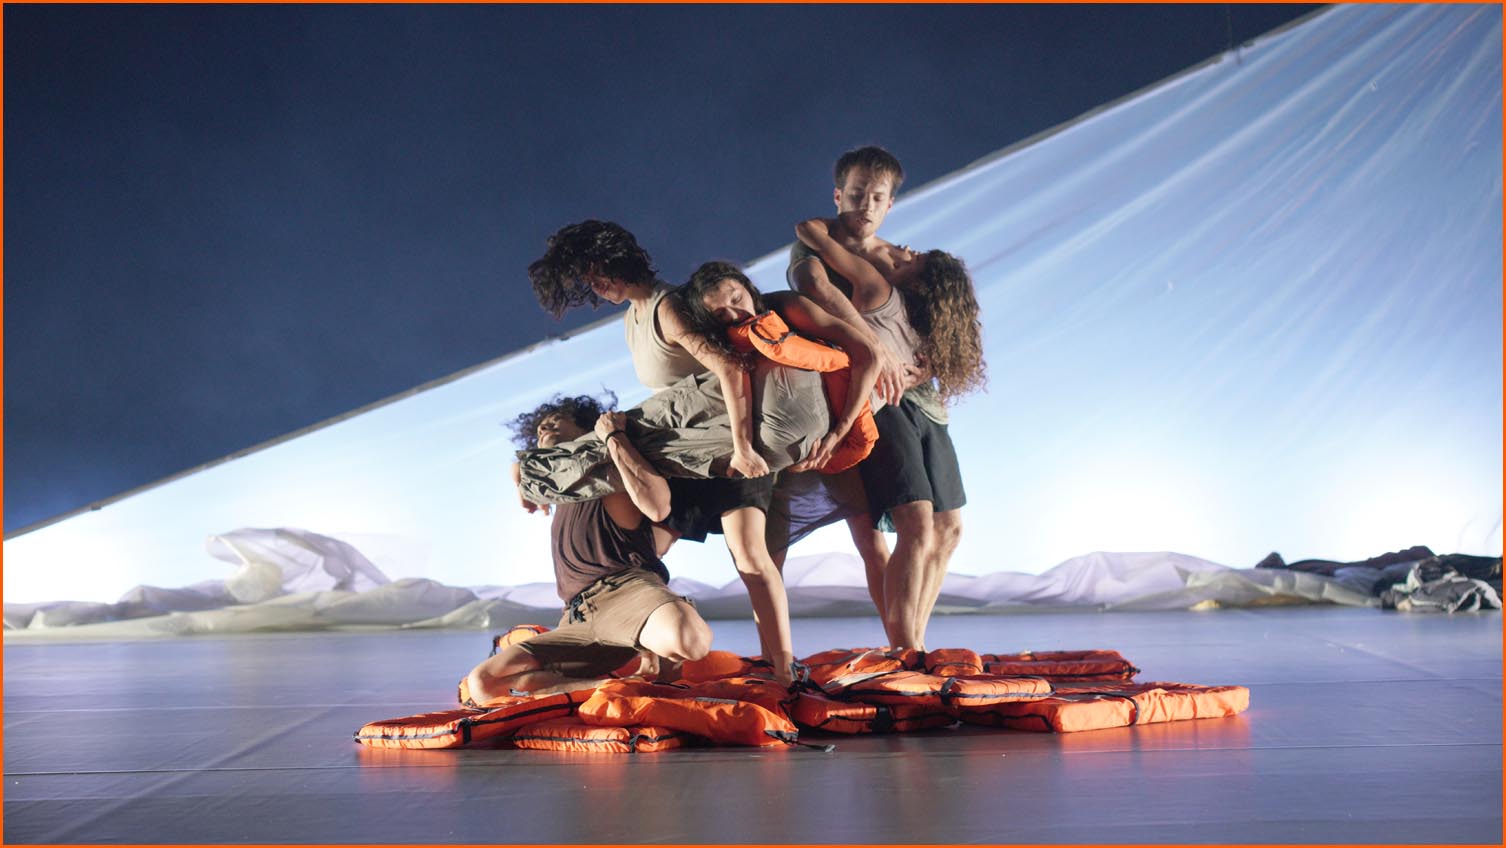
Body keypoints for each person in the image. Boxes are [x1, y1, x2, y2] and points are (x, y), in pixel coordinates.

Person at [527, 224, 873, 684]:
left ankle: (783, 668)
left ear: (617, 261)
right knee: (645, 550)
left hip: (731, 441)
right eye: (588, 281)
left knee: (750, 557)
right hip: (686, 453)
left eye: (598, 274)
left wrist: (744, 447)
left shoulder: (668, 307)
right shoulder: (633, 317)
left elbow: (729, 368)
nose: (596, 286)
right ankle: (650, 655)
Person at [787, 145, 985, 650]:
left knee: (948, 528)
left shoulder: (902, 259)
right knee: (889, 531)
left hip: (922, 401)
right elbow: (815, 290)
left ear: (891, 203)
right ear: (839, 195)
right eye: (857, 195)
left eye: (877, 197)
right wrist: (876, 352)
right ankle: (904, 651)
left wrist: (928, 366)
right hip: (867, 398)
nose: (866, 206)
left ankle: (914, 643)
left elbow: (940, 327)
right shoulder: (816, 249)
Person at [465, 394, 712, 703]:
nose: (544, 428)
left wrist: (613, 436)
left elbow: (657, 504)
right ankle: (615, 686)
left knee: (692, 642)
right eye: (540, 427)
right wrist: (521, 476)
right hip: (577, 617)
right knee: (483, 684)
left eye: (556, 420)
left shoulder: (606, 473)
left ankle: (656, 637)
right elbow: (518, 468)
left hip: (625, 593)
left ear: (585, 428)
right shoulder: (559, 493)